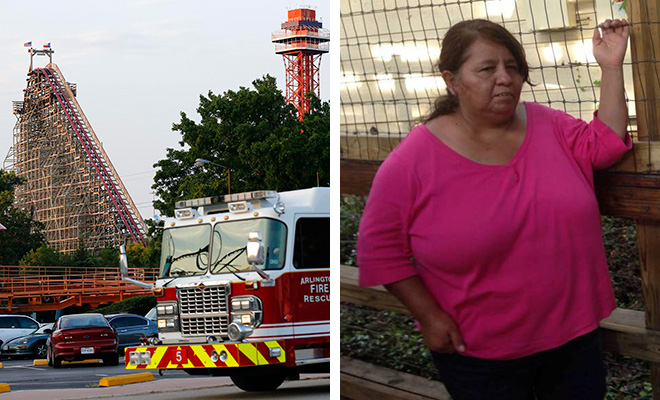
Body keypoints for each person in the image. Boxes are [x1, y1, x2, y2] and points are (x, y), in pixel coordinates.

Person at [357, 18, 631, 400]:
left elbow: (605, 144)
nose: (505, 78)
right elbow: (379, 250)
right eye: (487, 68)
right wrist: (430, 317)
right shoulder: (413, 160)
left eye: (513, 67)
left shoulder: (548, 123)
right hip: (480, 353)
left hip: (574, 336)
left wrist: (612, 67)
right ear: (452, 80)